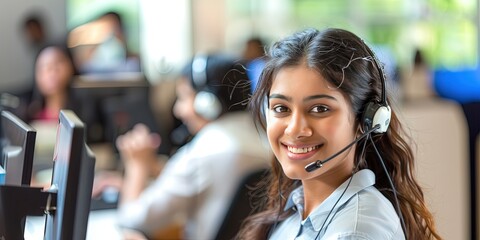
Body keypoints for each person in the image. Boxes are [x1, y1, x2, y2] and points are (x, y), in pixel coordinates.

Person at [237, 28, 442, 239]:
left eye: (319, 109)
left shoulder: (354, 231)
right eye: (281, 108)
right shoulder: (297, 210)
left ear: (366, 120)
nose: (294, 129)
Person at [111, 53, 272, 239]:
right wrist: (156, 167)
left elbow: (132, 219)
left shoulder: (203, 152)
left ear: (206, 103)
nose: (177, 110)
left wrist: (136, 166)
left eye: (184, 97)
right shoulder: (263, 137)